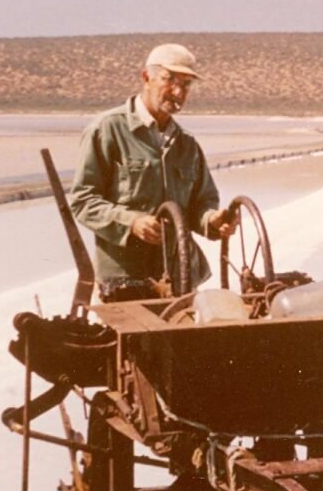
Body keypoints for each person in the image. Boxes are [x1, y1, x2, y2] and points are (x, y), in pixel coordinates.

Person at [70, 43, 236, 301]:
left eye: (186, 85)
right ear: (146, 77)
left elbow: (201, 204)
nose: (178, 92)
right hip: (125, 281)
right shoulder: (108, 130)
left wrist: (213, 221)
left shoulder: (186, 144)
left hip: (181, 276)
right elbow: (82, 201)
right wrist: (131, 222)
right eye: (169, 80)